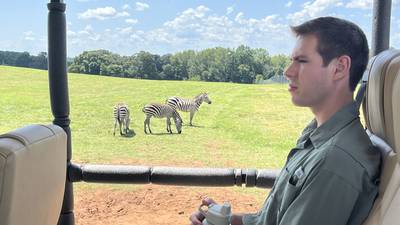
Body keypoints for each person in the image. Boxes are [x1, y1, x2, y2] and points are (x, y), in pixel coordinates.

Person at [189, 16, 381, 225]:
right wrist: (226, 220)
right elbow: (270, 219)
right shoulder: (318, 134)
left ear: (340, 67)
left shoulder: (335, 162)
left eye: (301, 61)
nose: (287, 72)